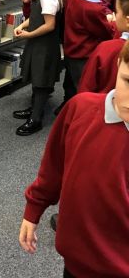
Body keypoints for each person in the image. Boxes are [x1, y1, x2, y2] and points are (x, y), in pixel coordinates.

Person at [19, 40, 129, 278]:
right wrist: (34, 207)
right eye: (127, 81)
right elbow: (54, 166)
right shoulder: (80, 108)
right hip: (75, 261)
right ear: (119, 63)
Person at [12, 0, 66, 136]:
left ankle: (36, 119)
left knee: (42, 81)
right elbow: (37, 16)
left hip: (44, 46)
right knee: (37, 77)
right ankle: (35, 108)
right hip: (38, 43)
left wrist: (29, 34)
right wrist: (23, 25)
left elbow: (49, 25)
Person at [63, 0, 120, 99]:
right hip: (84, 55)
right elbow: (107, 33)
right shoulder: (95, 9)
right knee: (83, 89)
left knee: (71, 84)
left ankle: (68, 105)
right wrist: (113, 22)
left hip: (70, 48)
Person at [78, 0, 129, 94]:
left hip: (103, 102)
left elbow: (86, 87)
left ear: (127, 20)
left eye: (117, 11)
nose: (115, 15)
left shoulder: (106, 49)